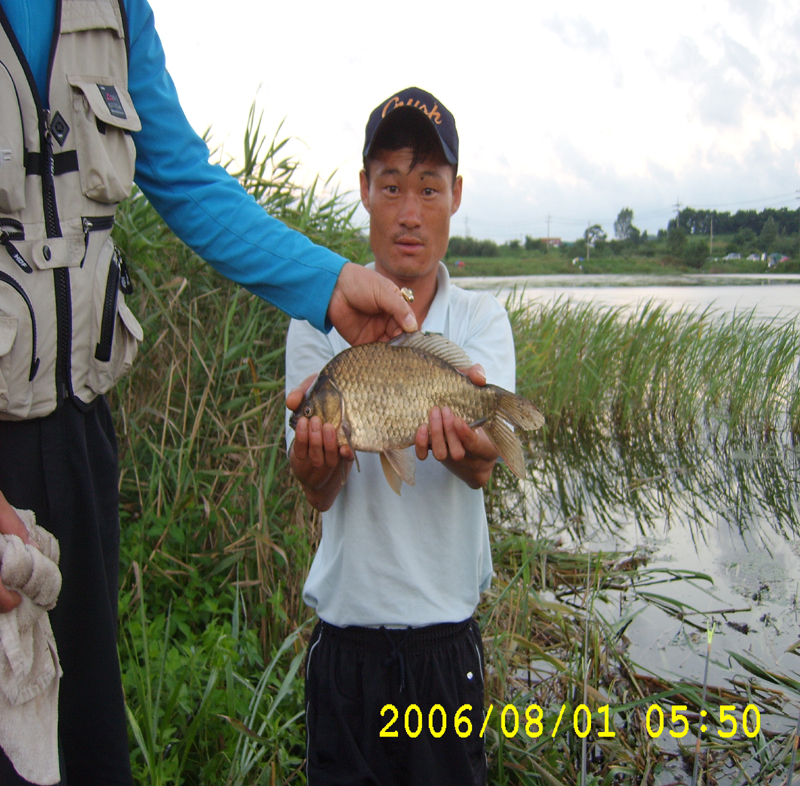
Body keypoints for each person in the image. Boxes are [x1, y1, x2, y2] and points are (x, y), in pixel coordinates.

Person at [0, 1, 416, 784]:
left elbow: (185, 180)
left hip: (80, 435)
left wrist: (328, 283)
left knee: (85, 738)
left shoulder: (119, 10)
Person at [285, 86, 518, 786]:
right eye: (391, 186)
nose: (409, 212)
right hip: (346, 643)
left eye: (429, 187)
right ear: (364, 189)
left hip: (446, 644)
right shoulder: (316, 319)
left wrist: (475, 440)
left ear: (456, 195)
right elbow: (318, 491)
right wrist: (315, 459)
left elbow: (481, 469)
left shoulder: (481, 319)